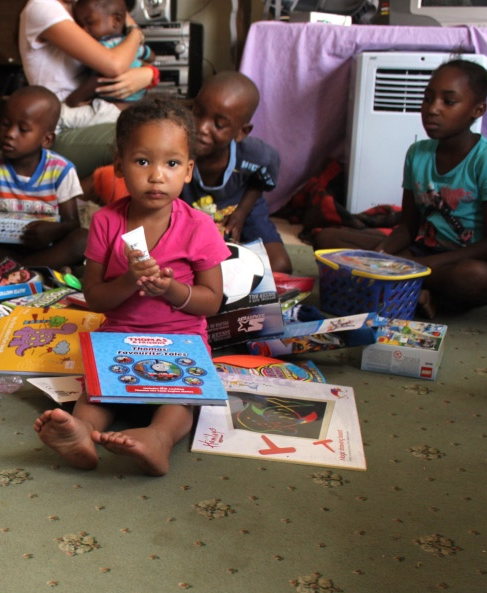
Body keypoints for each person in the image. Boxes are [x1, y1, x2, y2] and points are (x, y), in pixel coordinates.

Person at [34, 95, 229, 476]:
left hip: (181, 340)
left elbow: (211, 303)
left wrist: (172, 291)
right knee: (95, 391)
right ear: (119, 165)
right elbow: (94, 296)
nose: (157, 175)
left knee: (178, 401)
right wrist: (128, 280)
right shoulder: (107, 222)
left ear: (188, 170)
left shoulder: (198, 227)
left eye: (171, 163)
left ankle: (158, 438)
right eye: (143, 161)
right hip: (120, 336)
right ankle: (83, 433)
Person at [313, 59, 487, 318]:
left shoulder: (482, 159)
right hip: (422, 249)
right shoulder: (417, 154)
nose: (433, 109)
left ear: (478, 109)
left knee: (474, 278)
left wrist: (422, 266)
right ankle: (414, 292)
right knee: (328, 240)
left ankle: (418, 292)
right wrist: (377, 258)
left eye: (448, 102)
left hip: (461, 260)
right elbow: (407, 226)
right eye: (428, 99)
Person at [0, 86, 88, 283]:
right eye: (5, 124)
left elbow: (72, 223)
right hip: (1, 248)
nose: (10, 133)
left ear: (46, 139)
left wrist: (52, 231)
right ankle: (33, 271)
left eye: (23, 129)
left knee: (83, 239)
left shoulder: (61, 170)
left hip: (44, 247)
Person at [19, 0, 156, 179]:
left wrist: (150, 74)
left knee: (159, 130)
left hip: (92, 113)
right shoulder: (42, 6)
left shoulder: (85, 6)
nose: (86, 29)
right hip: (58, 129)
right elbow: (114, 64)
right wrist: (137, 34)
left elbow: (130, 48)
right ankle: (85, 189)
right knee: (142, 139)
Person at [180, 71, 292, 274]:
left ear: (241, 132)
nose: (201, 127)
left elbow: (260, 182)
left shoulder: (259, 156)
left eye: (219, 124)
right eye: (197, 113)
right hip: (188, 213)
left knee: (279, 266)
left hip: (240, 210)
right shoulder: (176, 147)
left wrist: (241, 213)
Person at [64, 0, 155, 110]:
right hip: (137, 101)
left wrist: (72, 101)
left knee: (64, 114)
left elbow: (97, 81)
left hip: (111, 106)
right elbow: (151, 56)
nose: (83, 30)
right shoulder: (129, 43)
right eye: (81, 25)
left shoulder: (103, 45)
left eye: (90, 22)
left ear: (116, 20)